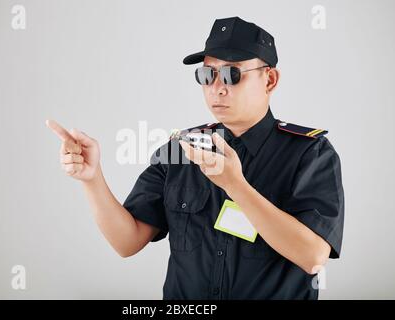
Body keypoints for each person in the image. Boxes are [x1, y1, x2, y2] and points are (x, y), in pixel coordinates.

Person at [46, 16, 344, 300]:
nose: (218, 87)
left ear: (270, 80)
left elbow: (313, 257)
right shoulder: (181, 149)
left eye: (232, 74)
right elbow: (127, 242)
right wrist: (92, 179)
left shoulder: (310, 153)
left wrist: (236, 187)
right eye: (207, 74)